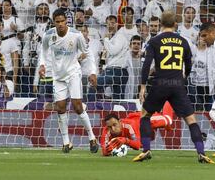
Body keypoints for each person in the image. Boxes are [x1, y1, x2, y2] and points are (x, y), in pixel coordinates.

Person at [133, 10, 214, 164]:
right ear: (175, 24)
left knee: (145, 115)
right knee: (191, 119)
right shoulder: (183, 41)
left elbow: (146, 65)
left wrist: (143, 86)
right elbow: (189, 64)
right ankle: (201, 152)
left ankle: (146, 150)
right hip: (177, 84)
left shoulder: (155, 41)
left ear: (161, 24)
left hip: (160, 84)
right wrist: (185, 76)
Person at [39, 9, 99, 153]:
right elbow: (43, 50)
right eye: (57, 22)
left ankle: (92, 137)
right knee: (60, 107)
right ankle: (66, 142)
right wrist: (42, 64)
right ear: (54, 22)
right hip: (58, 76)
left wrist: (92, 72)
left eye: (62, 21)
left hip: (73, 73)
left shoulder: (76, 35)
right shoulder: (48, 35)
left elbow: (88, 53)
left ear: (67, 21)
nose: (60, 24)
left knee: (77, 106)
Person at [100, 102, 173, 156]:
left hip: (144, 120)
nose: (113, 129)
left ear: (120, 122)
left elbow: (138, 145)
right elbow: (103, 150)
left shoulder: (129, 126)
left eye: (115, 125)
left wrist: (125, 140)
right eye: (110, 127)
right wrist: (107, 150)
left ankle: (168, 99)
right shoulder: (106, 130)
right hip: (141, 131)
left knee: (168, 120)